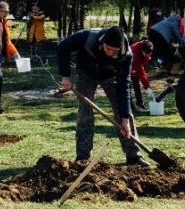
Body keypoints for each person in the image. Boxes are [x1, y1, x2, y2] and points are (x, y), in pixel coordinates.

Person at [58, 25, 145, 166]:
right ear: (102, 42)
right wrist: (65, 75)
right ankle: (82, 156)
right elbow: (63, 47)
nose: (110, 53)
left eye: (114, 51)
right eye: (108, 48)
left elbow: (124, 86)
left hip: (111, 77)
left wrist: (124, 118)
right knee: (85, 112)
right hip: (86, 74)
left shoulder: (126, 55)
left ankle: (134, 155)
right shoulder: (87, 37)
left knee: (125, 115)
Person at [129, 35, 155, 112]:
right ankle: (130, 107)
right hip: (127, 64)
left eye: (149, 54)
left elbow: (145, 60)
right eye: (146, 53)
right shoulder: (136, 53)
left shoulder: (149, 46)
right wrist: (147, 86)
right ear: (142, 50)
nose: (148, 55)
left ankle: (139, 102)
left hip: (136, 64)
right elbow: (140, 71)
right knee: (128, 85)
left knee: (136, 82)